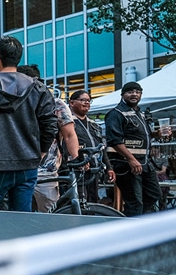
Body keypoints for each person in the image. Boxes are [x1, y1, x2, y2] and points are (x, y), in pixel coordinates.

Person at [0, 36, 58, 212]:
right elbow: (50, 124)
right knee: (20, 221)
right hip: (27, 163)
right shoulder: (38, 89)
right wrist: (41, 151)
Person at [17, 64, 79, 212]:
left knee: (49, 214)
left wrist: (77, 159)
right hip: (18, 170)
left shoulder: (55, 103)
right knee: (19, 216)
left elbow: (69, 134)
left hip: (46, 172)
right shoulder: (14, 103)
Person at [105, 81, 169, 216]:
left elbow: (141, 136)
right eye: (130, 92)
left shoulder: (139, 113)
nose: (134, 94)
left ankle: (131, 217)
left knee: (154, 194)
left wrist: (157, 134)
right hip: (127, 164)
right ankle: (132, 226)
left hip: (145, 163)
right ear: (122, 95)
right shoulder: (116, 113)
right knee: (135, 201)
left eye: (137, 92)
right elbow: (114, 140)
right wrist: (131, 159)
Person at [68, 90, 115, 203]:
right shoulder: (68, 123)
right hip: (75, 169)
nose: (86, 103)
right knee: (78, 201)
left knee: (93, 201)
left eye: (89, 100)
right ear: (72, 103)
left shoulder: (94, 125)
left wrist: (109, 167)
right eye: (83, 100)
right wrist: (78, 161)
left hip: (94, 169)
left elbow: (101, 148)